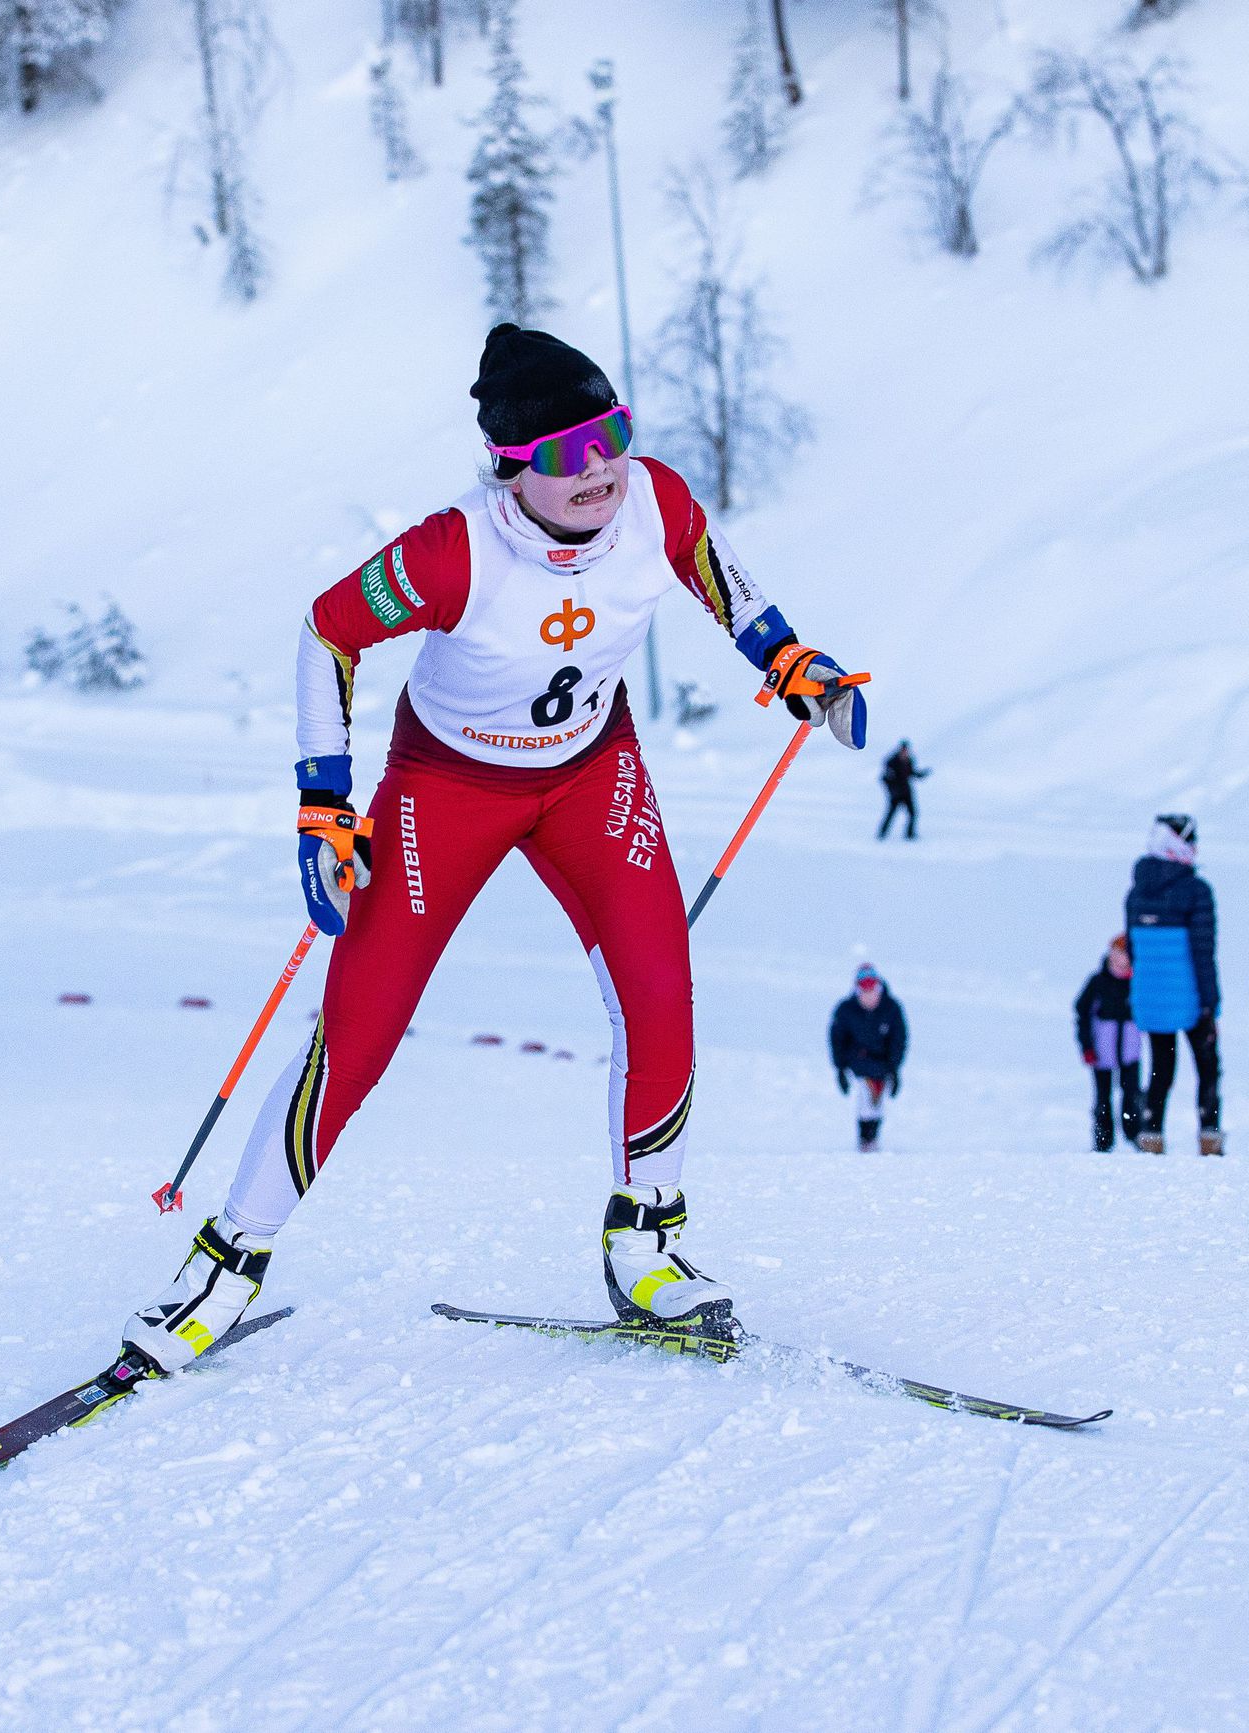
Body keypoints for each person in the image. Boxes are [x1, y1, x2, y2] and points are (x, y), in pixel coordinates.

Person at [121, 324, 870, 1372]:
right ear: (512, 467)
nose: (599, 467)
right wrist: (322, 803)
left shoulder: (653, 498)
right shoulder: (450, 550)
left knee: (659, 986)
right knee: (362, 1027)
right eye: (566, 452)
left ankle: (646, 1241)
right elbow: (327, 629)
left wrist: (791, 660)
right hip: (448, 785)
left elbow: (720, 578)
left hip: (589, 771)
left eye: (610, 433)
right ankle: (224, 1261)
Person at [1125, 814, 1222, 1155]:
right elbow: (1203, 952)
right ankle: (1209, 1135)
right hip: (1191, 998)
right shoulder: (1196, 891)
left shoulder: (1136, 892)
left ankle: (1151, 1133)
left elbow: (1134, 952)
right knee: (1207, 1067)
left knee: (1160, 1069)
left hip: (1150, 999)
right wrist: (1211, 1002)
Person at [1074, 937, 1144, 1152]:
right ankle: (1103, 1141)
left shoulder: (1139, 981)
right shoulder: (1098, 982)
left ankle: (1134, 1133)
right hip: (1102, 1051)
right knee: (1103, 1097)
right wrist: (1086, 1046)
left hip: (1130, 1050)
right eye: (1118, 954)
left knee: (1131, 1093)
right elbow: (1082, 1012)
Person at [829, 963, 907, 1151]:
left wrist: (894, 1069)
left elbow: (899, 1040)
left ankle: (871, 1139)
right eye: (863, 987)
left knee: (876, 1104)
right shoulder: (846, 1010)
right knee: (865, 1101)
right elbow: (837, 1039)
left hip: (882, 1065)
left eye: (872, 986)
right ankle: (866, 1139)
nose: (868, 992)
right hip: (859, 1064)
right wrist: (840, 1068)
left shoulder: (892, 1009)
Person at [877, 741, 927, 840]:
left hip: (906, 792)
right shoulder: (892, 761)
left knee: (913, 813)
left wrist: (922, 774)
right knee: (891, 813)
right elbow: (885, 778)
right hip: (896, 793)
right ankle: (882, 833)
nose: (905, 752)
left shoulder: (909, 760)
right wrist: (892, 790)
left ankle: (910, 834)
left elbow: (912, 773)